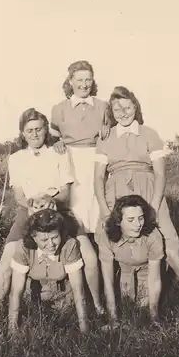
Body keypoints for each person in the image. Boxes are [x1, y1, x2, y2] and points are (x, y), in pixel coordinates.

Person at [94, 86, 179, 308]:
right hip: (115, 193)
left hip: (148, 190)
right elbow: (97, 178)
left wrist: (153, 205)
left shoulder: (149, 134)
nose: (123, 113)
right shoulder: (105, 138)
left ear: (135, 106)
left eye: (127, 107)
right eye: (117, 109)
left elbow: (161, 173)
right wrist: (106, 210)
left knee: (170, 244)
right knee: (110, 239)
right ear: (111, 112)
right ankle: (116, 301)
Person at [0, 107, 103, 314]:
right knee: (7, 258)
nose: (34, 134)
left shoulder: (59, 153)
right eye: (29, 130)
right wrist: (32, 205)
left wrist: (51, 200)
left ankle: (97, 307)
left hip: (58, 210)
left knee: (90, 255)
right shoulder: (16, 158)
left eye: (39, 129)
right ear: (22, 133)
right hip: (28, 212)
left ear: (46, 130)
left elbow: (65, 193)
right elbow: (19, 196)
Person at [50, 60, 110, 235]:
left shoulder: (103, 106)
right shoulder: (59, 108)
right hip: (70, 160)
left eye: (88, 80)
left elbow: (111, 134)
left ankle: (100, 247)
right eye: (79, 80)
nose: (84, 85)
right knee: (75, 204)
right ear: (70, 81)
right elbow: (52, 138)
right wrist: (57, 142)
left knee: (97, 202)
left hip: (96, 158)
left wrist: (108, 132)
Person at [8, 209, 88, 334]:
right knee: (34, 328)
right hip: (34, 298)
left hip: (64, 297)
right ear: (34, 237)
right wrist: (12, 330)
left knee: (65, 328)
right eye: (44, 240)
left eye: (55, 237)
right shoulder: (23, 248)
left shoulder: (70, 245)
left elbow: (78, 289)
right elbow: (16, 291)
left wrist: (84, 329)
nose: (51, 244)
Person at [99, 195, 164, 325]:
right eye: (130, 220)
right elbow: (108, 280)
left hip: (147, 271)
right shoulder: (106, 235)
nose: (138, 225)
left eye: (140, 218)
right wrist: (113, 319)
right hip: (125, 271)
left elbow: (155, 279)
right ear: (118, 222)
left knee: (143, 307)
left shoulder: (153, 235)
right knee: (126, 304)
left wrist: (154, 316)